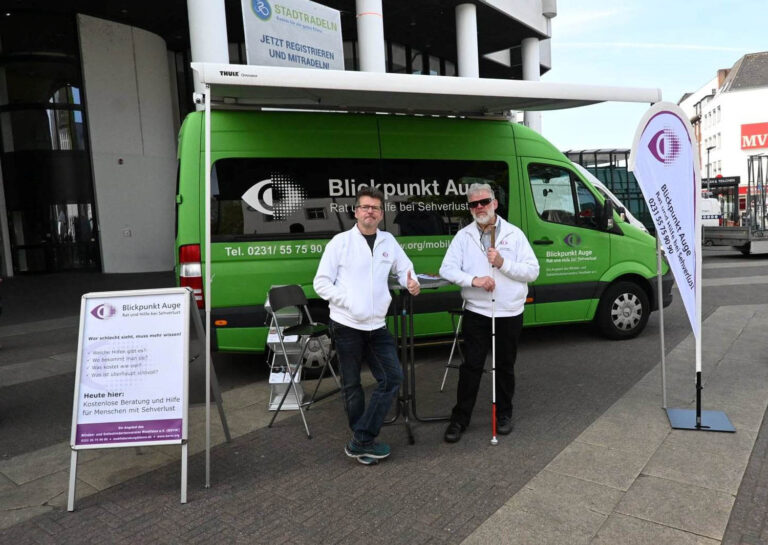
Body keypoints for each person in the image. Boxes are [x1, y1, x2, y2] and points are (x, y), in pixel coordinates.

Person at [314, 186, 420, 464]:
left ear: (381, 214)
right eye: (364, 207)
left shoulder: (388, 242)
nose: (369, 212)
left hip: (377, 326)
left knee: (392, 378)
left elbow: (405, 267)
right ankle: (364, 440)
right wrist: (349, 301)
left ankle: (361, 439)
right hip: (347, 324)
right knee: (352, 385)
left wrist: (412, 281)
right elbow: (321, 283)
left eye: (374, 208)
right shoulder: (340, 242)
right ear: (356, 211)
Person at [439, 183, 539, 443]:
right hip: (477, 311)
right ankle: (460, 418)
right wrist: (474, 280)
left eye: (484, 202)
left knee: (505, 365)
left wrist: (503, 263)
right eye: (474, 204)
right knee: (471, 366)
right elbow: (447, 270)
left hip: (508, 311)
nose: (479, 207)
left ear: (495, 203)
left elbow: (532, 271)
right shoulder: (463, 236)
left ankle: (504, 414)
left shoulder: (514, 235)